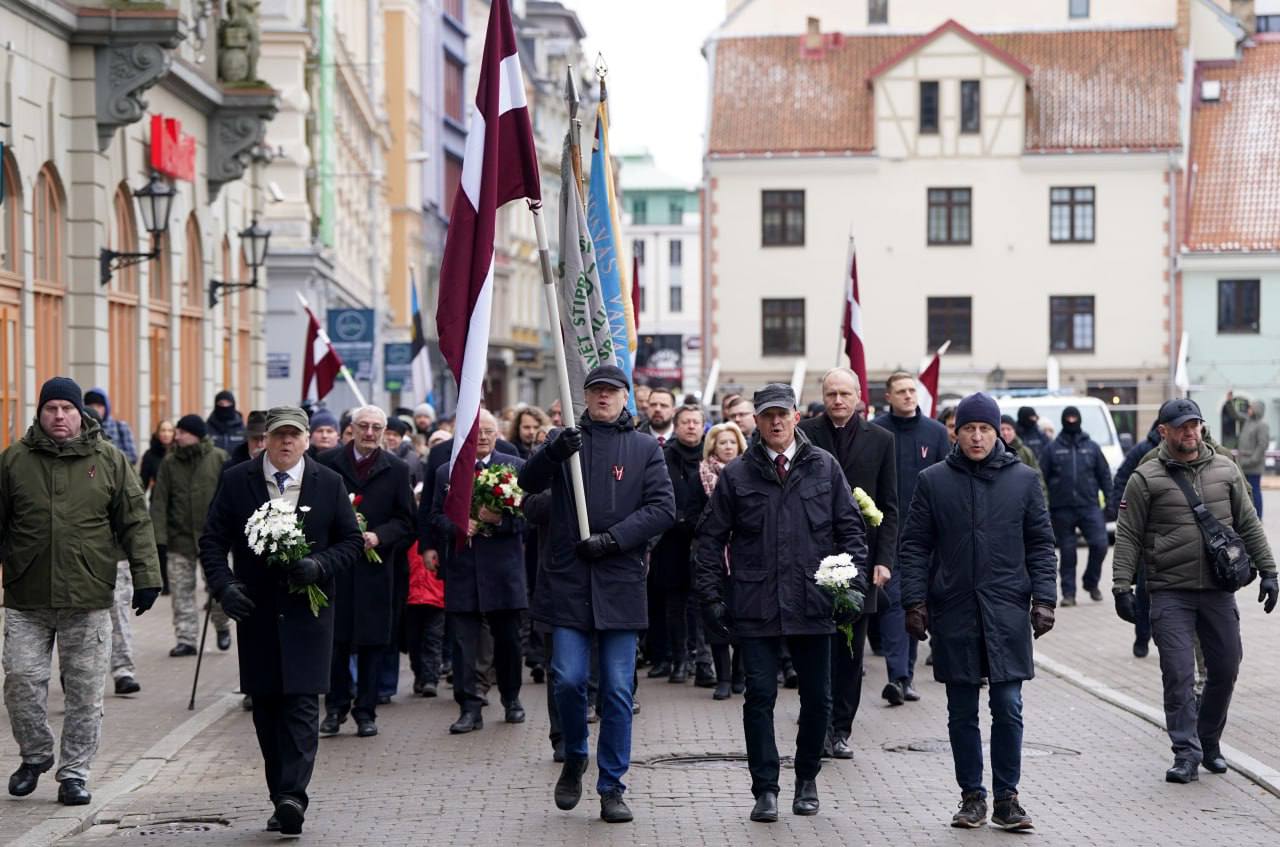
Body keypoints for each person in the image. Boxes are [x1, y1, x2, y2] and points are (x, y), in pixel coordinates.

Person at [694, 383, 868, 822]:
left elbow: (851, 531)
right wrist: (712, 596)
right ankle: (765, 789)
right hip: (755, 603)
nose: (775, 422)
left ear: (795, 416)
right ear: (755, 419)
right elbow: (711, 539)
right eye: (766, 415)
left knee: (818, 700)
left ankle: (806, 779)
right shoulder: (739, 474)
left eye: (782, 414)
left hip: (814, 603)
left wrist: (853, 585)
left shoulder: (823, 468)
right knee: (759, 698)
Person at [519, 364, 675, 824]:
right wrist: (552, 453)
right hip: (568, 583)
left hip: (619, 583)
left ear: (626, 397)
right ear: (584, 397)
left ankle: (612, 786)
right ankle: (574, 754)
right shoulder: (565, 440)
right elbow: (527, 484)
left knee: (617, 690)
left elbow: (663, 508)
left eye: (612, 391)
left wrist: (614, 540)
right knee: (566, 679)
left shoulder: (645, 447)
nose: (604, 398)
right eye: (596, 391)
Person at [199, 406, 364, 835]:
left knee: (302, 704)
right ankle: (280, 794)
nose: (286, 442)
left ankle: (294, 795)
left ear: (307, 439)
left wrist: (319, 566)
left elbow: (350, 542)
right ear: (265, 440)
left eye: (294, 435)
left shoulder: (328, 483)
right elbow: (213, 540)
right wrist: (225, 586)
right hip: (256, 613)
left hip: (309, 614)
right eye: (278, 436)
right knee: (267, 708)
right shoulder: (239, 480)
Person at [898, 392, 1058, 831]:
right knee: (961, 708)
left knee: (1008, 706)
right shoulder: (934, 480)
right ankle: (972, 796)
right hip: (955, 609)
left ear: (997, 432)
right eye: (969, 428)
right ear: (956, 431)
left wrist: (1044, 599)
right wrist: (913, 600)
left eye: (985, 428)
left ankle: (1008, 798)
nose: (976, 436)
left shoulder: (1023, 480)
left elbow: (1042, 544)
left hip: (1006, 608)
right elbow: (914, 545)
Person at [2, 377, 161, 806]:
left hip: (88, 596)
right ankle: (35, 755)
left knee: (85, 692)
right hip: (26, 595)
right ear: (40, 413)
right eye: (51, 408)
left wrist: (148, 576)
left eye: (66, 409)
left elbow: (135, 521)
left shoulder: (108, 458)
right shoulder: (15, 460)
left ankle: (74, 772)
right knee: (20, 680)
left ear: (80, 414)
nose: (58, 416)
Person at [1111, 398, 1277, 784]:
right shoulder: (1145, 477)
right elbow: (1129, 536)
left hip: (1219, 590)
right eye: (1180, 426)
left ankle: (1209, 739)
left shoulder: (1226, 470)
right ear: (1163, 431)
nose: (1189, 432)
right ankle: (1185, 752)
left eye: (1194, 425)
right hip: (1170, 591)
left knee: (1226, 667)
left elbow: (1249, 524)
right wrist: (1122, 585)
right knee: (1179, 673)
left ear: (1201, 427)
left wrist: (1268, 570)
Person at [798, 368, 897, 757]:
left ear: (859, 396)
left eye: (845, 394)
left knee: (850, 652)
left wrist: (884, 560)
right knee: (815, 648)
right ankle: (817, 725)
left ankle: (841, 728)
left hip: (862, 557)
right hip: (811, 555)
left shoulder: (881, 440)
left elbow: (890, 505)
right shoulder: (805, 432)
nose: (838, 401)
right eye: (831, 394)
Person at [315, 405, 414, 737]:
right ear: (351, 429)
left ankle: (366, 712)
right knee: (336, 642)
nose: (369, 433)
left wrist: (380, 536)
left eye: (376, 427)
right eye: (363, 426)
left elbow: (407, 521)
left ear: (384, 432)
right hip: (337, 567)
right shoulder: (328, 465)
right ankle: (335, 708)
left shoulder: (397, 469)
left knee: (373, 643)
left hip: (377, 571)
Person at [428, 408, 528, 732]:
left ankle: (511, 698)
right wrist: (457, 525)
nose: (482, 437)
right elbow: (434, 515)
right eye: (476, 431)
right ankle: (469, 706)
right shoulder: (447, 471)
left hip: (503, 569)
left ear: (497, 434)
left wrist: (502, 521)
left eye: (488, 431)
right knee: (463, 642)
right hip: (463, 569)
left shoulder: (514, 467)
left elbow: (530, 515)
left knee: (508, 640)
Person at [872, 371, 949, 704]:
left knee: (917, 604)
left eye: (911, 390)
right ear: (888, 396)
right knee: (892, 606)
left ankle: (908, 674)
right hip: (886, 535)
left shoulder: (934, 432)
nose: (907, 395)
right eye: (900, 391)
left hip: (925, 537)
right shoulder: (875, 431)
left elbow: (947, 480)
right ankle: (898, 677)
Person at [151, 415, 232, 657]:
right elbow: (160, 502)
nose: (177, 436)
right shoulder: (169, 463)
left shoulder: (218, 458)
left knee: (219, 589)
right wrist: (160, 539)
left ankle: (222, 625)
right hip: (180, 539)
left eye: (183, 432)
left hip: (213, 540)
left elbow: (229, 498)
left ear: (196, 434)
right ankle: (186, 638)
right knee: (181, 592)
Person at [649, 405, 709, 684]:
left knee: (700, 604)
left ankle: (702, 659)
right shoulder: (663, 457)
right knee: (674, 604)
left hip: (701, 539)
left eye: (696, 422)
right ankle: (678, 659)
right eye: (685, 422)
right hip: (670, 539)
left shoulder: (710, 457)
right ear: (677, 425)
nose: (691, 427)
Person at [1039, 406, 1112, 605]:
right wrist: (1042, 507)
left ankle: (1091, 582)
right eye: (1068, 417)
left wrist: (1111, 502)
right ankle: (1068, 594)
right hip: (1061, 509)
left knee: (1100, 544)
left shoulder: (1092, 447)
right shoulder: (1052, 449)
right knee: (1068, 552)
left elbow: (1104, 475)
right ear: (1063, 420)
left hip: (1089, 506)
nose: (1071, 420)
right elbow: (1040, 479)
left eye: (1074, 417)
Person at [698, 421, 748, 699]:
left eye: (732, 442)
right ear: (713, 447)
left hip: (742, 555)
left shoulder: (749, 472)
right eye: (722, 442)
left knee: (743, 616)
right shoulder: (702, 473)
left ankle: (740, 674)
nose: (728, 447)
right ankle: (724, 678)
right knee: (715, 616)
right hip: (713, 554)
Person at [1108, 422, 1163, 657]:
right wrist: (1120, 508)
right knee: (1144, 589)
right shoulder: (1143, 452)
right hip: (1145, 531)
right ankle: (1142, 636)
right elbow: (1122, 478)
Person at [405, 539, 446, 697]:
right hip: (412, 598)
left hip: (436, 598)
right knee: (414, 642)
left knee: (433, 640)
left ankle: (430, 679)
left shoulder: (437, 540)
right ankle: (420, 675)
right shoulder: (410, 539)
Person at [83, 387, 137, 465]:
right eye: (91, 406)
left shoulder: (121, 427)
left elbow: (132, 457)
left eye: (99, 406)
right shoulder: (80, 429)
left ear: (106, 408)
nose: (95, 409)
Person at [999, 415, 1047, 501]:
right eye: (1002, 429)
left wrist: (1043, 504)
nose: (1005, 433)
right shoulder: (991, 452)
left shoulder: (1026, 452)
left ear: (1014, 431)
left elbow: (1038, 480)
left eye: (1009, 429)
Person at [1236, 399, 1269, 518]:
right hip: (1244, 463)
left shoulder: (1262, 425)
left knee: (1255, 491)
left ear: (1256, 410)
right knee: (1245, 492)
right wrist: (1229, 402)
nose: (1248, 410)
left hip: (1253, 465)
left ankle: (1258, 517)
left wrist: (1252, 460)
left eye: (1251, 408)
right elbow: (1235, 415)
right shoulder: (1248, 422)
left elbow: (1262, 445)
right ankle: (1249, 517)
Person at [206, 390, 246, 454]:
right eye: (221, 403)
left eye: (228, 403)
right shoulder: (207, 428)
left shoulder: (242, 429)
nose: (224, 406)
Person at [140, 419, 175, 491]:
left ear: (174, 434)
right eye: (163, 430)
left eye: (170, 431)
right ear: (158, 433)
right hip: (157, 497)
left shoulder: (180, 452)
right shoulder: (149, 455)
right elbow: (143, 482)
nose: (166, 434)